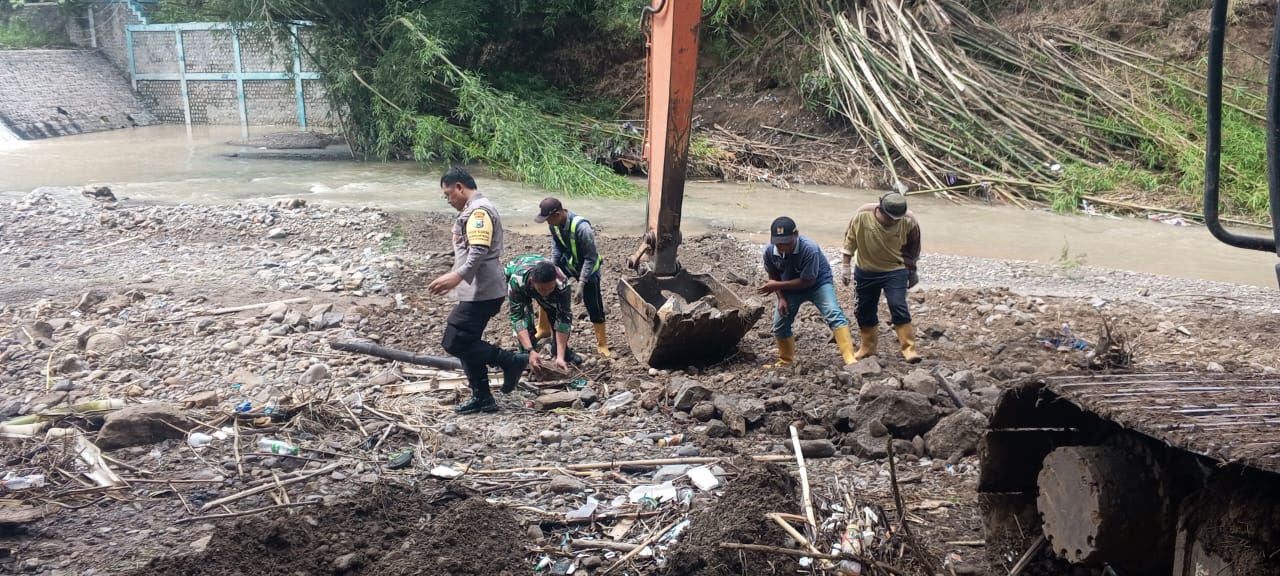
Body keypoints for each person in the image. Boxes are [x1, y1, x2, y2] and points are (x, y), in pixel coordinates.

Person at [428, 167, 528, 415]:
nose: (448, 200)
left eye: (448, 194)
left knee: (454, 340)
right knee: (466, 342)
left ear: (460, 187)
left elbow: (478, 251)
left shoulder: (478, 212)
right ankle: (483, 397)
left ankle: (510, 360)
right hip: (481, 290)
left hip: (483, 291)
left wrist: (457, 275)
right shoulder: (474, 209)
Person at [758, 216, 857, 367]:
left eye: (787, 243)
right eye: (779, 244)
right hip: (788, 286)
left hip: (817, 284)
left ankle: (850, 358)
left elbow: (808, 281)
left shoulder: (809, 248)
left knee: (833, 312)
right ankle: (785, 360)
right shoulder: (769, 251)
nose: (783, 247)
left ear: (796, 235)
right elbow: (773, 275)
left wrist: (777, 285)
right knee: (779, 324)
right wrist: (781, 297)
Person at [839, 192, 922, 364]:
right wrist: (845, 268)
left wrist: (912, 270)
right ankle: (868, 347)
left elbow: (913, 248)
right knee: (864, 309)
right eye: (891, 218)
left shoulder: (908, 221)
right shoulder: (862, 217)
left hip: (895, 269)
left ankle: (909, 349)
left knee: (898, 305)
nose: (894, 222)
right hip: (866, 270)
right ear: (881, 210)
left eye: (897, 219)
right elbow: (849, 241)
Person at [534, 197, 611, 357]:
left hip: (588, 268)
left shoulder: (582, 228)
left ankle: (602, 343)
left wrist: (581, 284)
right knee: (545, 290)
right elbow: (557, 248)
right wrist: (552, 270)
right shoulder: (554, 226)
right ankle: (543, 329)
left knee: (594, 305)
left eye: (549, 219)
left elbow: (591, 258)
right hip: (569, 263)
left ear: (559, 214)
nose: (548, 223)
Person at [504, 254, 580, 372]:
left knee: (554, 313)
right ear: (533, 282)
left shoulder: (562, 283)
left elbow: (564, 319)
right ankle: (526, 354)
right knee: (526, 318)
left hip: (540, 281)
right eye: (542, 289)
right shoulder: (516, 281)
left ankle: (560, 350)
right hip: (519, 277)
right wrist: (530, 350)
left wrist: (559, 356)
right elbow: (517, 319)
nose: (546, 292)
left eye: (550, 288)